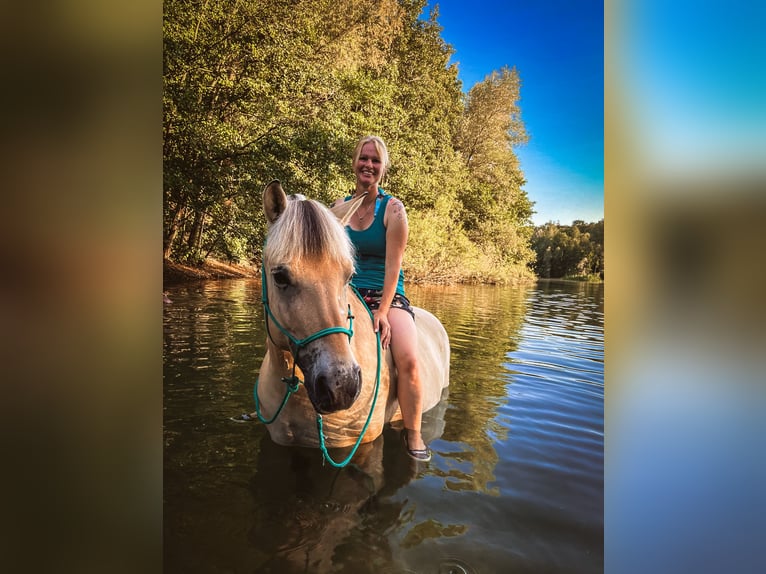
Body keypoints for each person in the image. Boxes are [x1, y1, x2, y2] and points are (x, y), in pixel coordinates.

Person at [332, 135, 431, 462]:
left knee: (408, 360)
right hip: (347, 296)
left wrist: (383, 311)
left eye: (375, 160)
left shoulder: (393, 209)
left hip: (386, 296)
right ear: (355, 162)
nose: (368, 165)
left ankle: (413, 432)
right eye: (364, 158)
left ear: (382, 168)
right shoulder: (337, 211)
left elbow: (393, 267)